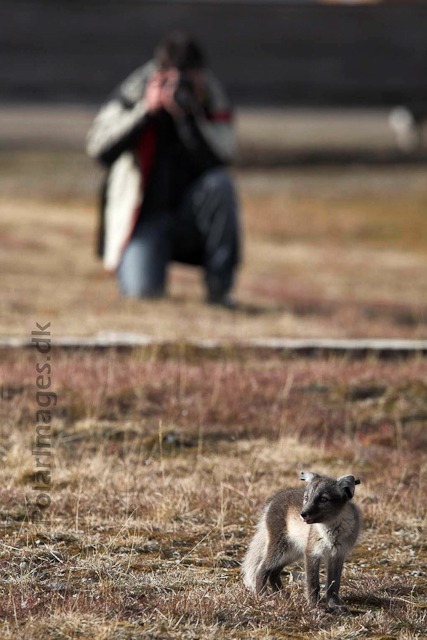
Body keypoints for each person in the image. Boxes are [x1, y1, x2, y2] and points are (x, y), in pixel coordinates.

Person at [86, 32, 240, 305]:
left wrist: (190, 117)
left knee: (221, 184)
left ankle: (220, 289)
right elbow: (99, 149)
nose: (178, 88)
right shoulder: (137, 89)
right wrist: (147, 111)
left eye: (188, 80)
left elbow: (223, 157)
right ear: (160, 73)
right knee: (142, 295)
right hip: (144, 219)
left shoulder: (208, 95)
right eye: (172, 80)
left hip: (191, 215)